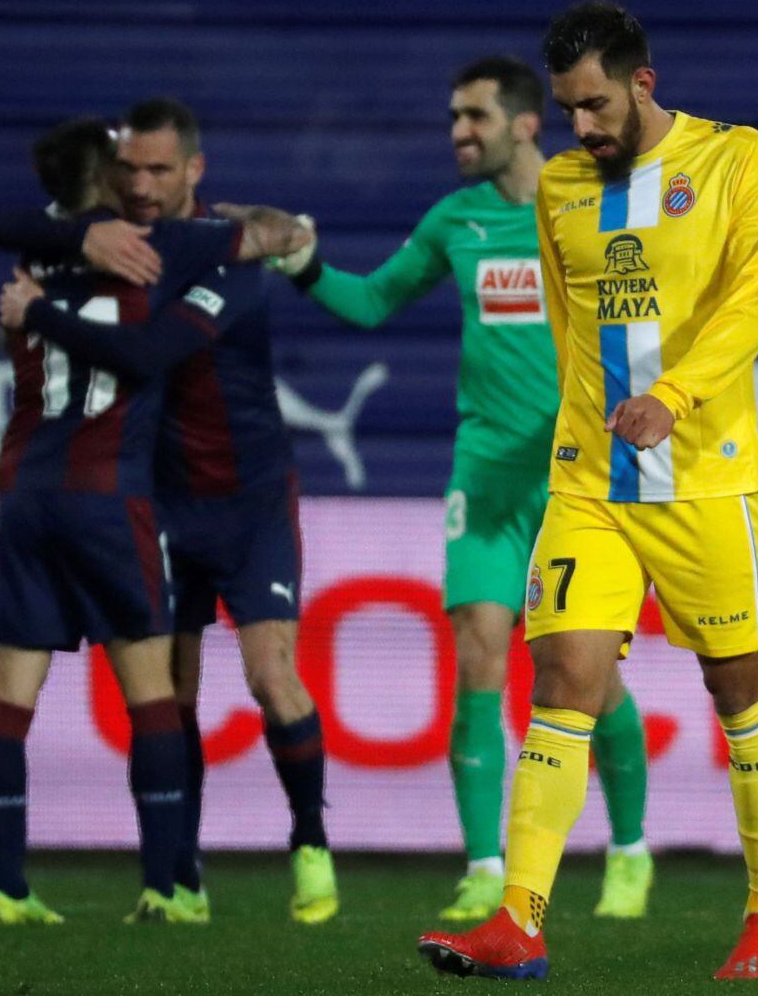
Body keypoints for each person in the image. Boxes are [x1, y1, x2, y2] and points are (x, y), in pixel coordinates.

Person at [417, 1, 758, 981]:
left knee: (738, 688)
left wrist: (672, 396)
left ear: (642, 84)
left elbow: (753, 302)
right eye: (567, 109)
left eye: (594, 106)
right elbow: (569, 328)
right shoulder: (560, 190)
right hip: (591, 484)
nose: (579, 128)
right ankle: (519, 920)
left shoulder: (737, 161)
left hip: (708, 482)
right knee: (565, 677)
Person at [270, 56, 651, 921]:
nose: (457, 133)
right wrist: (302, 266)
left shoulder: (587, 203)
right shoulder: (455, 220)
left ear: (524, 124)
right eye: (452, 117)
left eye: (473, 117)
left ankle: (629, 853)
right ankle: (486, 865)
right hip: (482, 478)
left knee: (585, 676)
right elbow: (370, 303)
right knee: (481, 655)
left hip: (575, 483)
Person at [0, 98, 339, 925]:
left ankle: (311, 840)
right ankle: (180, 874)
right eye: (130, 170)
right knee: (172, 697)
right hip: (162, 501)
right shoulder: (120, 249)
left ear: (193, 172)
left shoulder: (220, 257)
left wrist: (41, 306)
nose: (142, 185)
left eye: (159, 170)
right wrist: (76, 240)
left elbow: (159, 343)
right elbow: (2, 225)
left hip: (250, 503)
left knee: (270, 675)